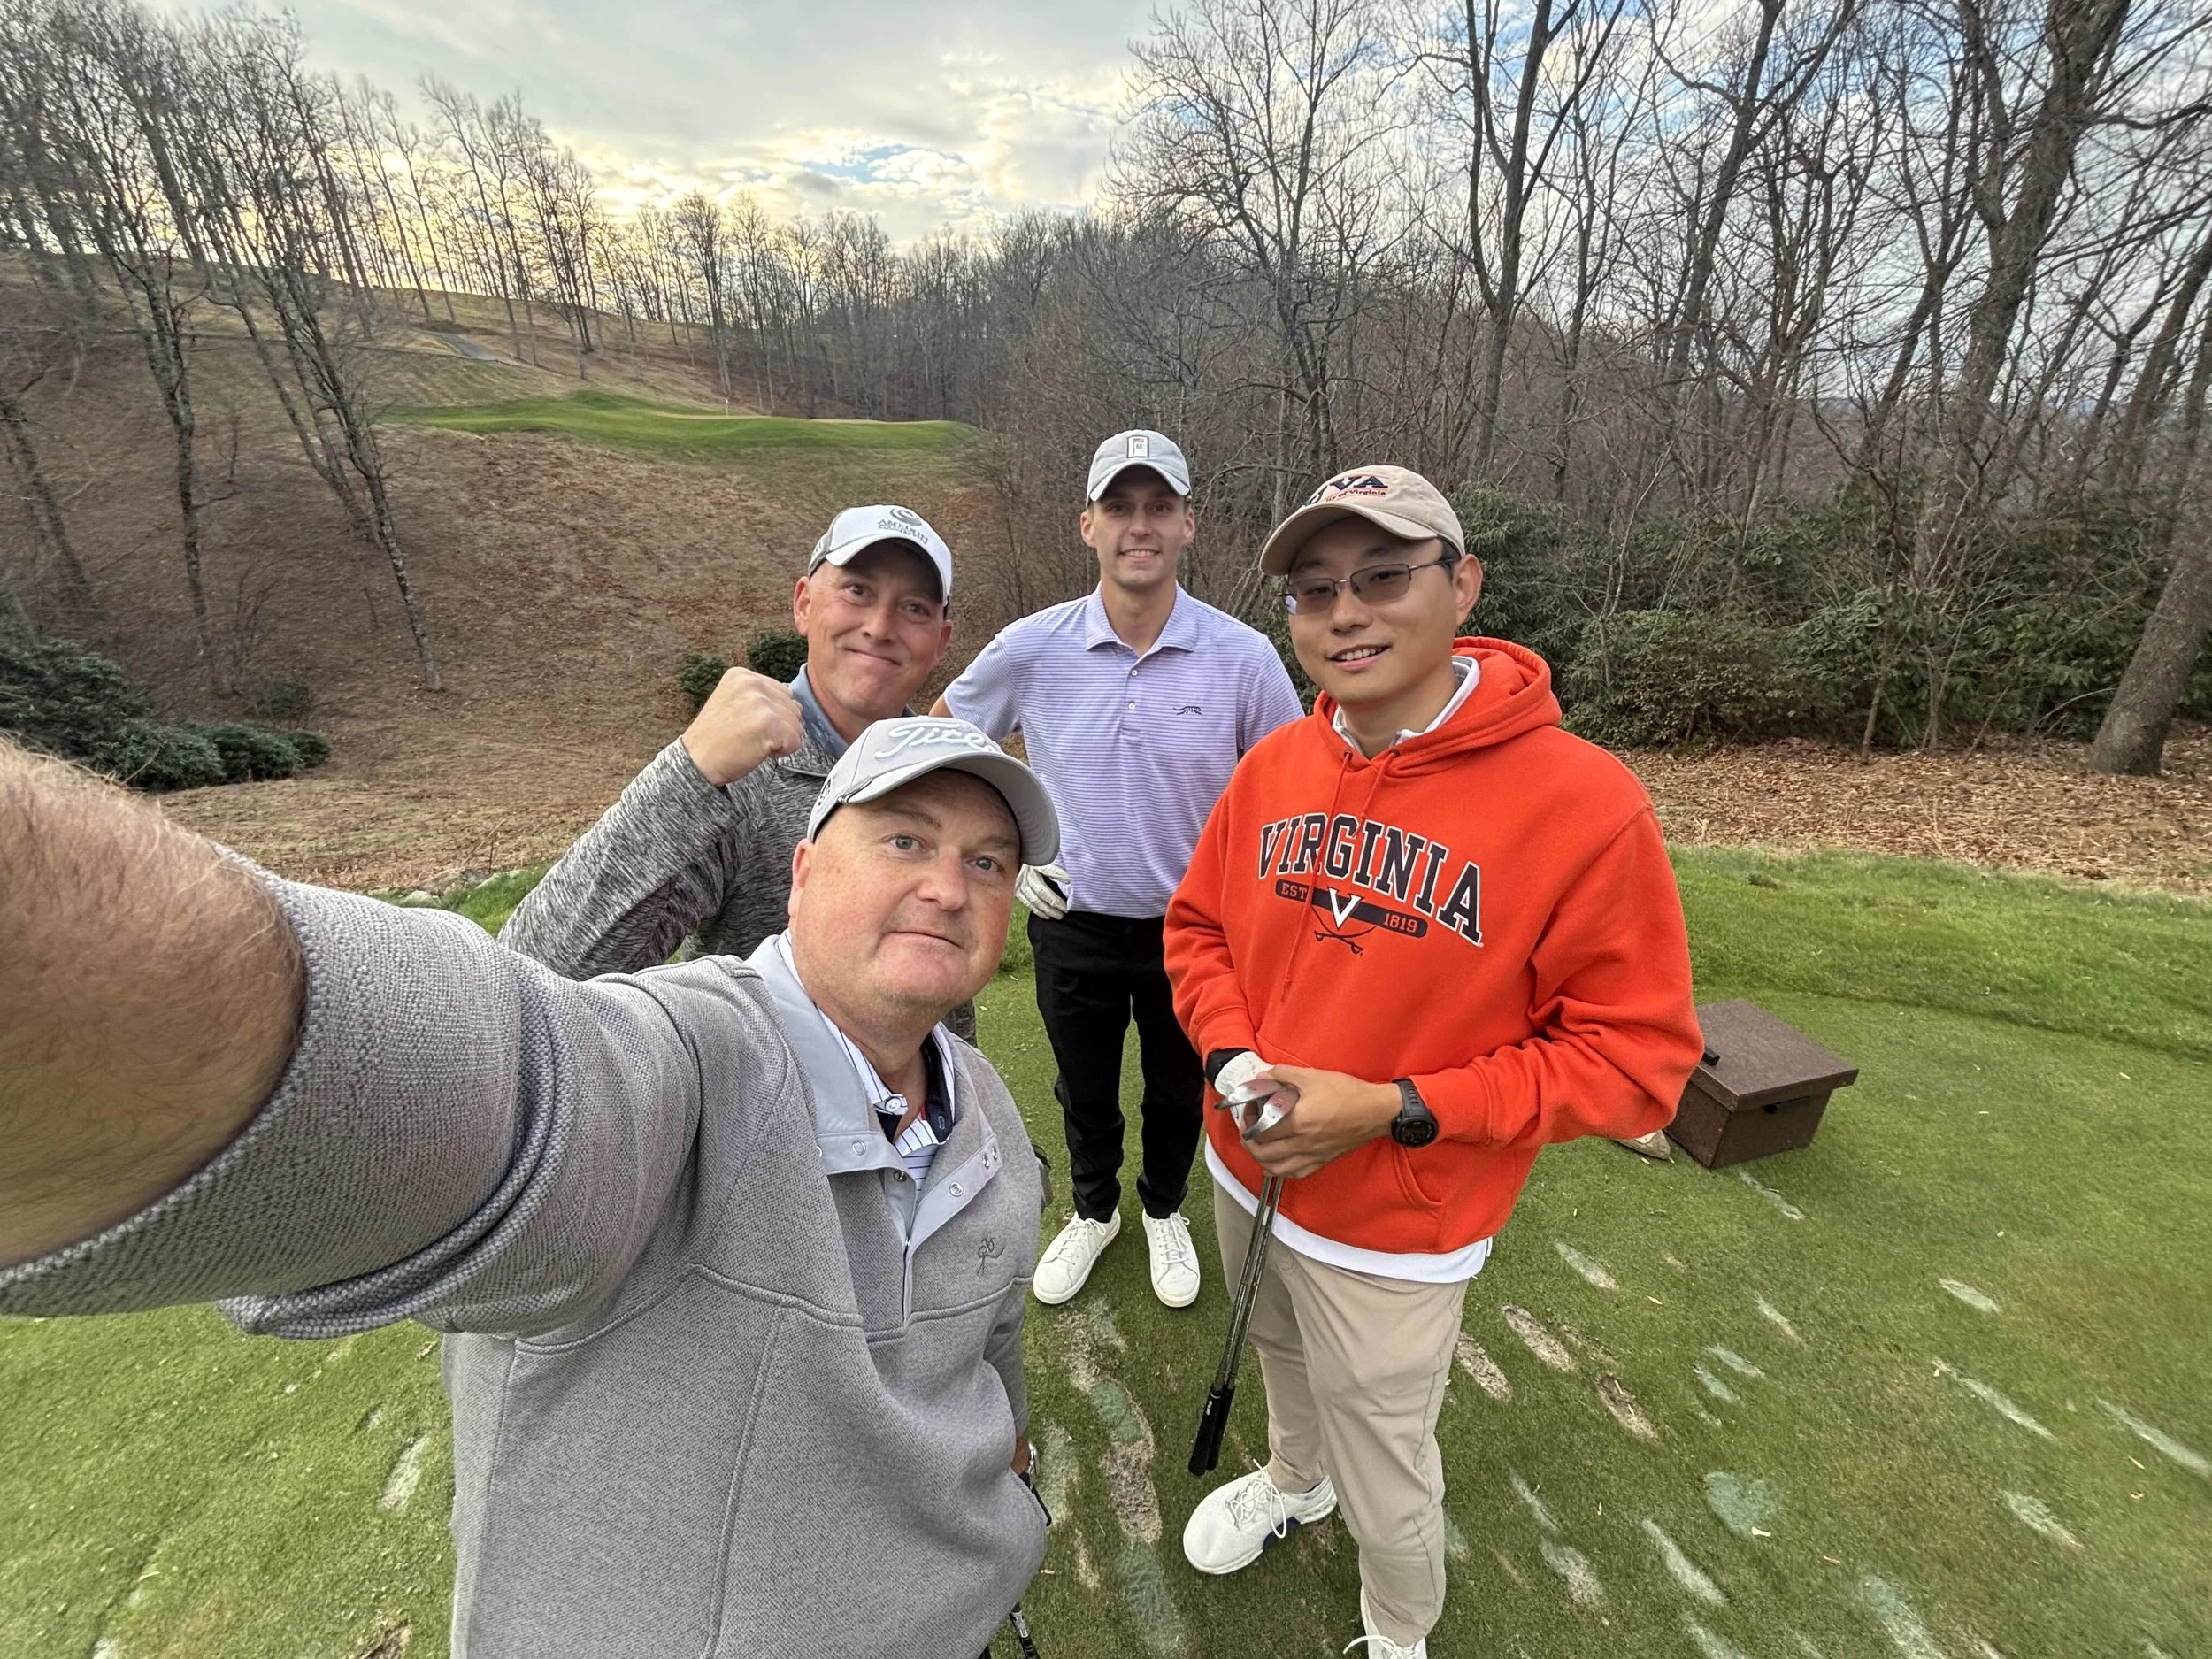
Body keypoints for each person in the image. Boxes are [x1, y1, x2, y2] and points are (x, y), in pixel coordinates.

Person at [0, 715, 1062, 1659]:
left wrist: (1007, 1445)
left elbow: (991, 1329)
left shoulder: (984, 1105)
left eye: (987, 863)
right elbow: (471, 1092)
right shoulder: (687, 1066)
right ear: (801, 872)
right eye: (907, 840)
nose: (947, 887)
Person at [1164, 466, 1702, 1657]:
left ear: (1463, 584)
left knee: (1388, 1452)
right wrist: (1233, 1051)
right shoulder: (1274, 766)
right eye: (1315, 590)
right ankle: (1293, 1479)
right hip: (1250, 1170)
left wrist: (1401, 1107)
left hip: (1402, 1222)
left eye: (1382, 576)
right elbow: (1198, 931)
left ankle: (1397, 1629)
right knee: (1280, 1359)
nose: (1344, 612)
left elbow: (1637, 1059)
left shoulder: (1586, 801)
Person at [932, 430, 1303, 1310]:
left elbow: (1293, 791)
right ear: (1087, 525)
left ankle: (1164, 1210)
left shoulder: (1242, 656)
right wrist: (1002, 854)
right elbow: (943, 741)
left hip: (1195, 936)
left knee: (1181, 1093)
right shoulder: (1032, 646)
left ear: (1188, 526)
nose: (1140, 526)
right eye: (1121, 508)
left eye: (1159, 508)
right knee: (1086, 1089)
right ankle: (1095, 1210)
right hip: (1073, 922)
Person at [502, 503, 972, 1033]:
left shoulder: (951, 781)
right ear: (804, 603)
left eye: (913, 608)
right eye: (857, 591)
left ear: (940, 641)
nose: (881, 627)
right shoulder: (739, 778)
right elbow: (536, 978)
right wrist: (688, 771)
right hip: (762, 1109)